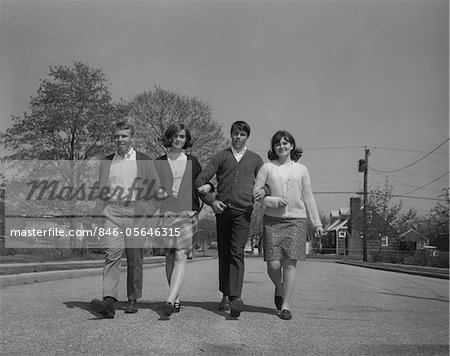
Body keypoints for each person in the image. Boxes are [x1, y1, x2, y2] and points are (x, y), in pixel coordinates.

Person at [195, 121, 269, 318]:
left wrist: (262, 190)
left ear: (247, 137)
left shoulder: (255, 159)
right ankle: (225, 294)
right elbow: (200, 181)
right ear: (231, 135)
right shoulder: (221, 157)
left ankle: (235, 297)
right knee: (224, 254)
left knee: (237, 252)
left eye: (242, 134)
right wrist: (211, 201)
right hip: (223, 211)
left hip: (243, 212)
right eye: (235, 133)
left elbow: (268, 184)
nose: (238, 137)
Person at [90, 120, 160, 318]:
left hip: (135, 212)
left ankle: (132, 298)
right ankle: (109, 301)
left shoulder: (144, 160)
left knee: (134, 258)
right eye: (117, 136)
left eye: (124, 136)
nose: (120, 139)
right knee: (111, 254)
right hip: (112, 211)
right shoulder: (106, 161)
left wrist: (145, 211)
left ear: (132, 138)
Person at [253, 130, 323, 320]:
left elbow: (308, 197)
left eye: (285, 143)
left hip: (296, 220)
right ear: (273, 148)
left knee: (290, 264)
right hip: (272, 220)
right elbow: (257, 193)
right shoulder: (267, 168)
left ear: (292, 145)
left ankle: (285, 305)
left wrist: (316, 222)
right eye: (278, 144)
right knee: (273, 265)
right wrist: (274, 201)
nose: (282, 146)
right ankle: (280, 287)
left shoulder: (302, 170)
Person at [154, 123, 213, 317]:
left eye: (182, 136)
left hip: (188, 213)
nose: (178, 140)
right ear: (169, 138)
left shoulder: (193, 161)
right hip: (167, 214)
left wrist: (210, 188)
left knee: (181, 255)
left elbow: (202, 183)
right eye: (175, 136)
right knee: (170, 257)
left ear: (186, 139)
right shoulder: (159, 162)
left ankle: (169, 301)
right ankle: (176, 296)